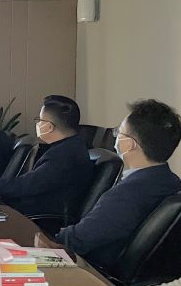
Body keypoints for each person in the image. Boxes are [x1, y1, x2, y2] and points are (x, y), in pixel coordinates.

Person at [50, 100, 181, 274]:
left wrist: (51, 238)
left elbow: (78, 240)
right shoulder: (171, 181)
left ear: (130, 144)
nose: (116, 136)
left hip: (95, 272)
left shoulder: (130, 193)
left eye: (119, 132)